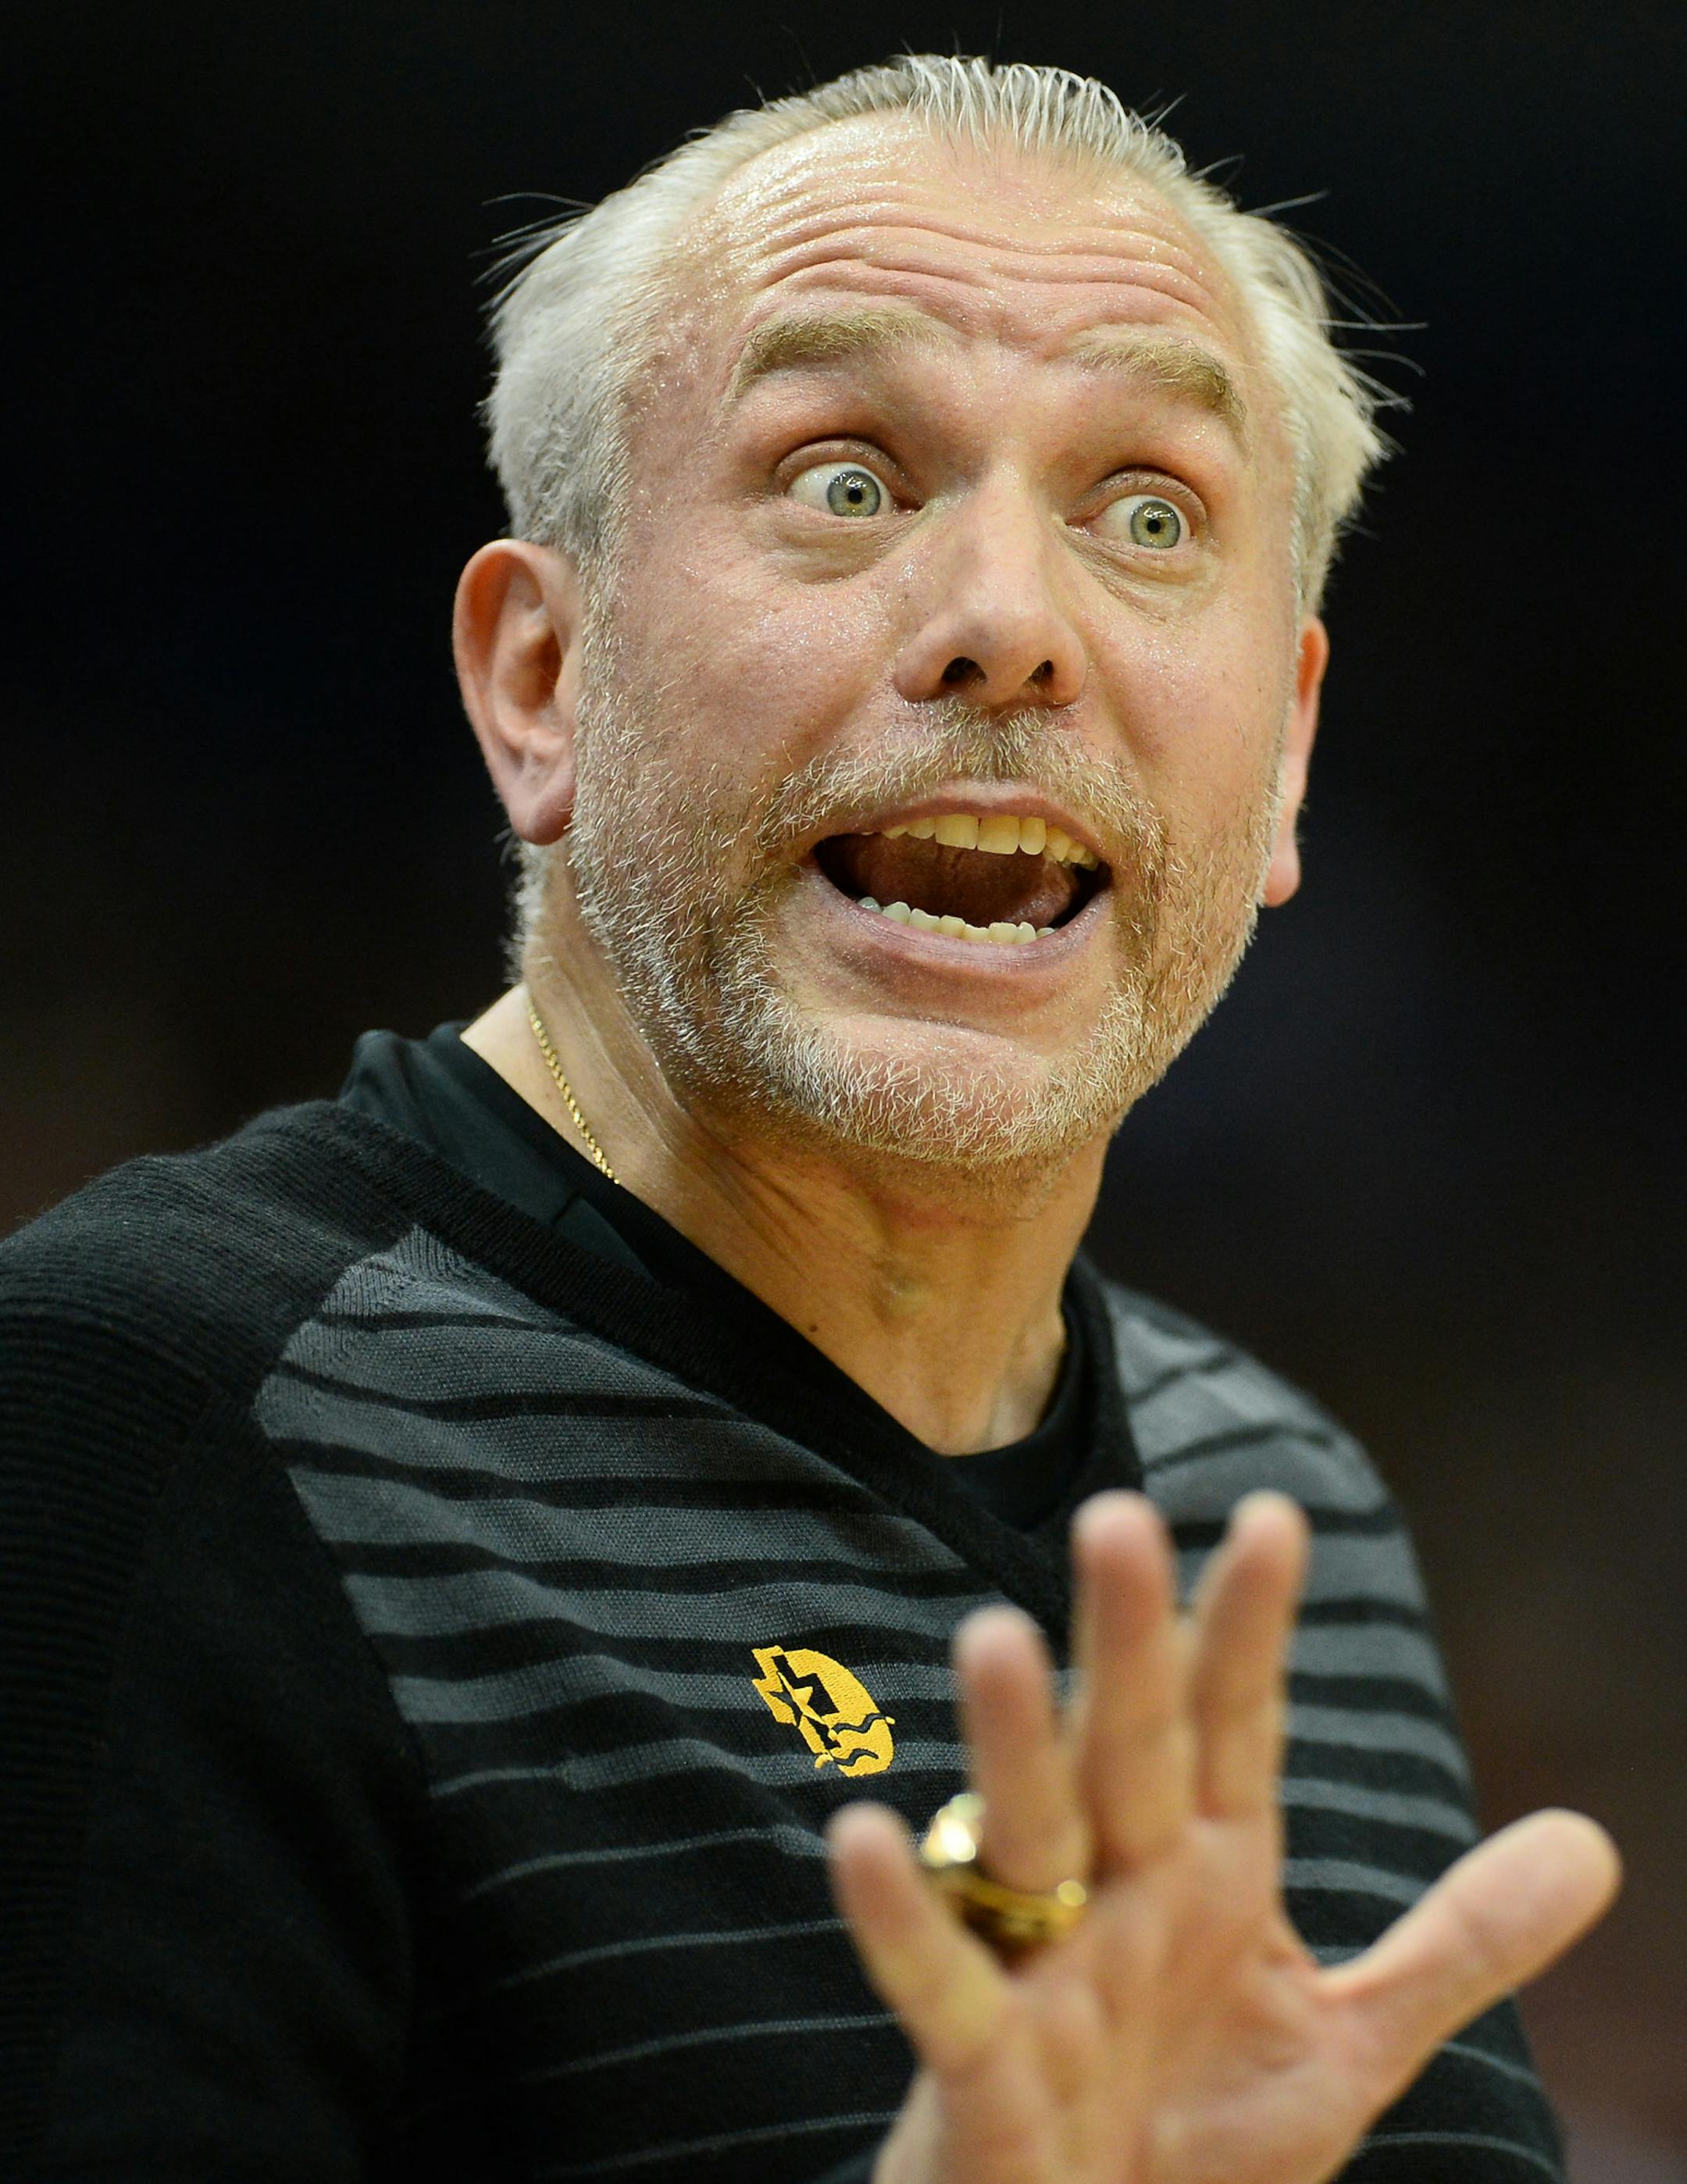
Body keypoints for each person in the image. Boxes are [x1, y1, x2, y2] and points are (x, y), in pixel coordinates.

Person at [0, 53, 1617, 2184]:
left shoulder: (1271, 1525)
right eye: (846, 477)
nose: (1012, 629)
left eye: (1151, 514)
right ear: (538, 683)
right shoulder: (131, 1420)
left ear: (1290, 751)